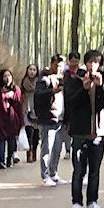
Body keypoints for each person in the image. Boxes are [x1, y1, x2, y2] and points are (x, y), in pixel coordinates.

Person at [62, 49, 104, 208]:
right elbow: (70, 102)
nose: (93, 65)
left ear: (100, 64)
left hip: (98, 132)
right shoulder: (76, 79)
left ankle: (92, 201)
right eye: (90, 62)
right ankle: (76, 202)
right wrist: (83, 88)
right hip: (79, 131)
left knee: (95, 169)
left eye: (96, 62)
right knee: (78, 169)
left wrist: (101, 86)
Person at [34, 56, 67, 187]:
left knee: (57, 148)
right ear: (52, 64)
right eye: (56, 65)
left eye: (61, 66)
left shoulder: (63, 78)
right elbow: (38, 94)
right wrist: (52, 91)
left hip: (60, 117)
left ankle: (53, 173)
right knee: (47, 147)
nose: (58, 68)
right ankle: (45, 174)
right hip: (48, 117)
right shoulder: (44, 78)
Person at [0, 67, 27, 169]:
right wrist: (3, 95)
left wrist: (21, 121)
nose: (7, 78)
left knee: (11, 139)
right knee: (0, 139)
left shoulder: (16, 89)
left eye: (9, 75)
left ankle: (10, 159)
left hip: (12, 118)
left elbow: (18, 105)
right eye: (5, 76)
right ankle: (1, 160)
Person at [19, 64, 41, 162]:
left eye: (34, 70)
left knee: (36, 133)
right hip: (26, 107)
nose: (32, 71)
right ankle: (29, 152)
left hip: (37, 108)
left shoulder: (40, 83)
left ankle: (35, 150)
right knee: (29, 131)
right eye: (30, 69)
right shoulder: (24, 82)